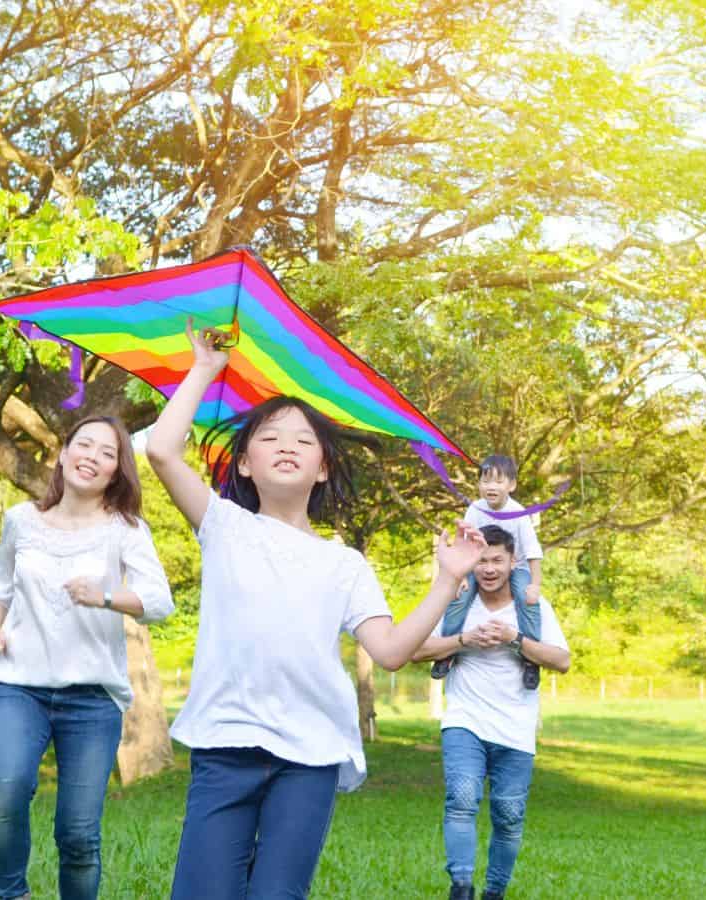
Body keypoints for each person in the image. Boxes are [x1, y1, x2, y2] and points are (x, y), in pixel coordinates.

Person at [147, 319, 489, 900]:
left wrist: (447, 580)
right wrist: (204, 368)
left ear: (323, 467)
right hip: (226, 744)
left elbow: (390, 652)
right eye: (271, 437)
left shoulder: (345, 563)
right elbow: (160, 449)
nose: (287, 446)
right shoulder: (224, 526)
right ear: (245, 465)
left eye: (304, 441)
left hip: (310, 755)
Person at [0, 414, 176, 900]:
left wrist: (107, 594)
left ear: (115, 472)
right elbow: (0, 586)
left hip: (92, 699)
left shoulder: (125, 529)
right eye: (84, 445)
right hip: (18, 686)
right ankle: (11, 895)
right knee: (6, 792)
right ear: (63, 454)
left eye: (107, 453)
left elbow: (160, 602)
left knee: (79, 834)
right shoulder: (21, 520)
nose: (92, 456)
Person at [411, 525, 571, 900]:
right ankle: (461, 887)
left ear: (513, 562)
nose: (488, 568)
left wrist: (514, 640)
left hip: (516, 728)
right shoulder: (456, 600)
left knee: (509, 816)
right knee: (462, 797)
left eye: (497, 560)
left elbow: (562, 661)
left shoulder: (532, 606)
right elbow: (416, 650)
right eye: (481, 560)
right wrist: (465, 641)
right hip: (465, 720)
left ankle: (494, 892)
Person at [429, 454, 546, 690]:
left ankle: (530, 660)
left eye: (499, 482)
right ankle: (445, 652)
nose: (491, 487)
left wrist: (535, 585)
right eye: (486, 481)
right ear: (479, 484)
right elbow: (464, 544)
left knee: (528, 601)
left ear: (511, 485)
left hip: (517, 567)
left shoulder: (519, 514)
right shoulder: (475, 509)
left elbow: (533, 553)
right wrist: (460, 577)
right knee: (458, 597)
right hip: (479, 564)